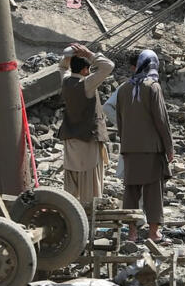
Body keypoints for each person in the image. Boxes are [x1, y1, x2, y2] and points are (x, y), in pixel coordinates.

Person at [116, 50, 173, 242]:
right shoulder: (153, 87)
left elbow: (120, 121)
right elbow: (161, 120)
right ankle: (153, 232)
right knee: (153, 191)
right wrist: (169, 147)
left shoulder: (124, 89)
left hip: (130, 148)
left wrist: (124, 145)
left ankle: (131, 233)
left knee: (131, 190)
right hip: (151, 148)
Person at [59, 44, 115, 207]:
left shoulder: (65, 81)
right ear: (85, 70)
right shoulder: (87, 84)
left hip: (70, 139)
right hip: (87, 141)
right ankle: (89, 222)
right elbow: (108, 66)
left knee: (71, 186)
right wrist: (90, 54)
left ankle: (70, 217)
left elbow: (62, 66)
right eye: (88, 69)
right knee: (90, 186)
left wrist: (69, 54)